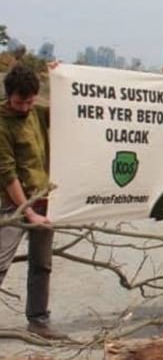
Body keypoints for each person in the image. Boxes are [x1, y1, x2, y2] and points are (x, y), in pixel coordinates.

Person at [0, 64, 67, 339]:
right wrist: (27, 213)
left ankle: (38, 320)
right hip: (11, 206)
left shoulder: (37, 113)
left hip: (43, 201)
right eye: (20, 102)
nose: (25, 107)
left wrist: (60, 78)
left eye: (30, 101)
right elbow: (7, 172)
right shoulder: (2, 123)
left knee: (42, 264)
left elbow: (73, 110)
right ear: (8, 96)